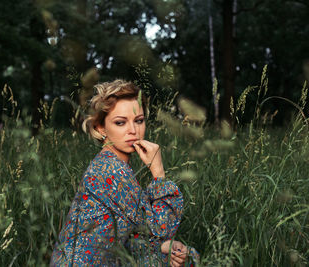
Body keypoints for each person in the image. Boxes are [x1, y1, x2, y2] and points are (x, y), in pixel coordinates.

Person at [50, 80, 199, 266]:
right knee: (185, 258)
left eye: (139, 121)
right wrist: (159, 173)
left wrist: (163, 246)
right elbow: (160, 230)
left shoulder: (107, 163)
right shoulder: (112, 171)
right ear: (100, 128)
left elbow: (133, 234)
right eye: (120, 123)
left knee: (179, 255)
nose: (133, 131)